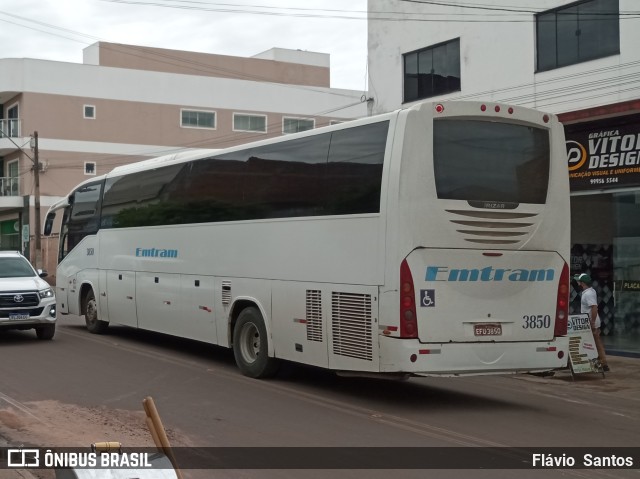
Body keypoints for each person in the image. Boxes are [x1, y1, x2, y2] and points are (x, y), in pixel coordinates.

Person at [574, 273, 610, 372]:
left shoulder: (588, 294)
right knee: (594, 343)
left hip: (591, 322)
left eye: (579, 281)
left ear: (582, 283)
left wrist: (592, 322)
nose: (577, 282)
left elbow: (594, 307)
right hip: (589, 322)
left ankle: (603, 363)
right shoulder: (590, 291)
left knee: (596, 343)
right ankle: (601, 363)